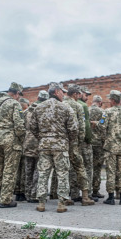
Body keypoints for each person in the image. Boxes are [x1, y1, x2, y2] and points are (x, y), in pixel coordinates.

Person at [29, 82, 80, 213]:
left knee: (43, 173)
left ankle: (41, 202)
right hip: (60, 145)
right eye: (62, 91)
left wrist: (42, 138)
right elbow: (74, 129)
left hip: (44, 145)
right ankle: (61, 203)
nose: (64, 94)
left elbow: (32, 127)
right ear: (56, 92)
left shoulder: (39, 108)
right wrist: (67, 140)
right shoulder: (65, 108)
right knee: (62, 174)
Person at [0, 82, 26, 208]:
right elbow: (19, 125)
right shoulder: (15, 104)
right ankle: (5, 199)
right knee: (10, 169)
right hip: (11, 140)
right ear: (17, 93)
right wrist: (22, 138)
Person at [62, 84, 93, 206]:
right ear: (75, 94)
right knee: (80, 168)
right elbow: (82, 127)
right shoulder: (78, 106)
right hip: (74, 143)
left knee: (63, 170)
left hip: (61, 143)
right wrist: (79, 142)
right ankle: (85, 197)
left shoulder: (61, 104)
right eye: (79, 94)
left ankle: (66, 196)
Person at [100, 90, 121, 205]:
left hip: (110, 147)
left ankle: (111, 197)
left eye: (110, 99)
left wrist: (105, 138)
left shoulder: (106, 112)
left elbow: (102, 126)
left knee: (111, 172)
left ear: (113, 100)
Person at [23, 90, 48, 203]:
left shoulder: (27, 110)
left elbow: (21, 126)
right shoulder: (44, 110)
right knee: (38, 170)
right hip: (39, 143)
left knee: (28, 170)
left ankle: (27, 193)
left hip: (27, 142)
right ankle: (34, 194)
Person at [89, 94, 106, 199]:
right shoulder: (103, 113)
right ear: (100, 103)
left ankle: (86, 191)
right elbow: (103, 126)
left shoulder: (87, 110)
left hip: (88, 142)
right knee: (97, 168)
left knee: (87, 167)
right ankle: (95, 190)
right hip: (98, 144)